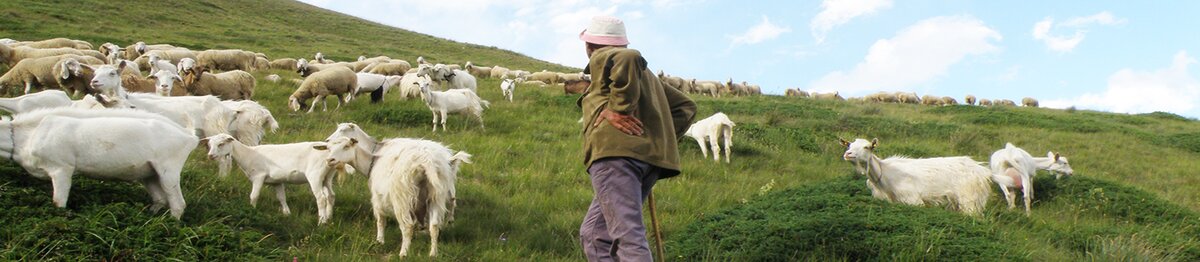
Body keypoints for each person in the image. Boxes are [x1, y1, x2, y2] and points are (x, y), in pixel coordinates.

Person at [576, 15, 697, 262]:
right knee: (594, 234)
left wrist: (618, 109)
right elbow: (686, 106)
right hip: (643, 161)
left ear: (590, 45)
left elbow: (628, 56)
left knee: (628, 237)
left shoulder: (605, 57)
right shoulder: (647, 75)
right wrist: (652, 138)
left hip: (615, 158)